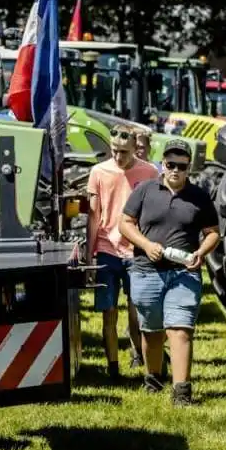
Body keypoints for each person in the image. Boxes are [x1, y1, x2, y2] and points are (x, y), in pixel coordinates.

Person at [119, 139, 220, 406]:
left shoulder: (199, 196)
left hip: (183, 274)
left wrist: (201, 252)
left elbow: (213, 233)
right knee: (151, 333)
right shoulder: (145, 191)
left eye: (181, 166)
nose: (175, 170)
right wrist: (145, 245)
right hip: (146, 271)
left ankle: (182, 393)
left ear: (189, 168)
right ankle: (153, 379)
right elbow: (125, 223)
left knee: (181, 330)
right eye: (170, 164)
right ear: (162, 164)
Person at [86, 125, 159, 380]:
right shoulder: (98, 172)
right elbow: (94, 216)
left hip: (136, 252)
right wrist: (89, 256)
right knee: (109, 312)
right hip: (107, 250)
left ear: (134, 149)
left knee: (137, 309)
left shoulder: (149, 172)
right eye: (115, 151)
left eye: (124, 152)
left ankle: (141, 357)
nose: (119, 157)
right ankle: (113, 368)